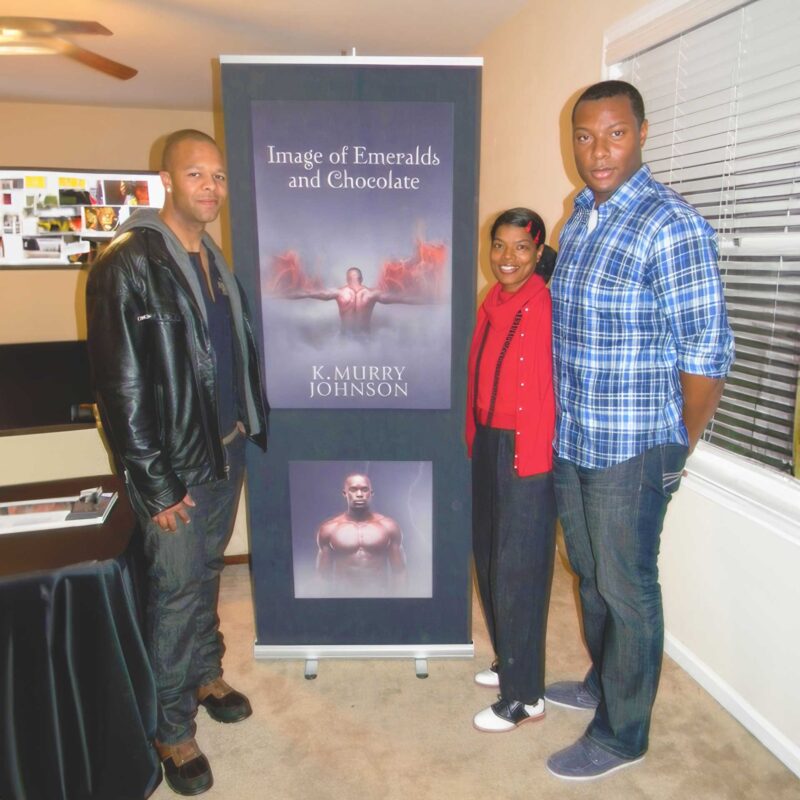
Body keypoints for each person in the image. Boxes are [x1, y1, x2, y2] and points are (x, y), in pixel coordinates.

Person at [546, 81, 734, 780]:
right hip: (575, 437)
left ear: (643, 133)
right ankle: (604, 682)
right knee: (590, 575)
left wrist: (675, 449)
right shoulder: (579, 218)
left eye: (615, 134)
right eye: (585, 136)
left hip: (633, 447)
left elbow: (706, 358)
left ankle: (624, 734)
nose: (598, 151)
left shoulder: (671, 225)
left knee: (627, 589)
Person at [86, 129, 269, 796]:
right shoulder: (127, 263)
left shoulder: (211, 258)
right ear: (166, 180)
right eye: (196, 175)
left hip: (225, 447)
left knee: (207, 572)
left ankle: (204, 673)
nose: (211, 188)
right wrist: (155, 485)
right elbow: (121, 387)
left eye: (218, 176)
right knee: (174, 591)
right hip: (175, 465)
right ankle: (171, 728)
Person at [465, 208, 558, 733]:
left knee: (519, 570)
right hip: (488, 440)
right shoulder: (493, 301)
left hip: (527, 448)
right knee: (488, 557)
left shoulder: (547, 302)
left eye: (521, 247)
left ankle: (526, 696)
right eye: (499, 245)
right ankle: (510, 660)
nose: (507, 257)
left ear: (538, 252)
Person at [316, 473, 407, 594]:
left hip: (378, 597)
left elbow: (399, 572)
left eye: (364, 490)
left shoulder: (389, 527)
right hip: (342, 599)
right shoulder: (329, 529)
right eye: (353, 490)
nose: (359, 494)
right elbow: (323, 575)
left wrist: (397, 602)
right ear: (345, 493)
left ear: (371, 493)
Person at [284, 266, 432, 335]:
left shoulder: (339, 293)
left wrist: (280, 296)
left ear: (347, 279)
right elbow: (403, 298)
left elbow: (307, 293)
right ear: (361, 278)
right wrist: (429, 300)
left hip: (345, 339)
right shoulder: (371, 294)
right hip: (365, 339)